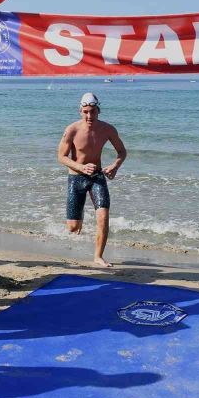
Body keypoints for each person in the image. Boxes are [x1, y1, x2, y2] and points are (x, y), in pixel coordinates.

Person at [57, 92, 127, 267]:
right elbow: (61, 157)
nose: (89, 115)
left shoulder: (108, 129)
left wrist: (115, 166)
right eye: (86, 111)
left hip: (96, 176)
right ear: (80, 111)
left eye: (93, 111)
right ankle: (77, 220)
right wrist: (80, 167)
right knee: (73, 228)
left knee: (103, 216)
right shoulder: (71, 130)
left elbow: (122, 151)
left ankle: (98, 256)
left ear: (98, 111)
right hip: (76, 177)